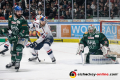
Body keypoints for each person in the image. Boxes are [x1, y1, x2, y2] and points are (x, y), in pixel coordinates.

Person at [0, 6, 29, 71]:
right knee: (13, 50)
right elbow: (10, 27)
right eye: (18, 11)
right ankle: (13, 62)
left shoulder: (23, 19)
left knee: (18, 48)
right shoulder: (10, 18)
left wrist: (18, 36)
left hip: (23, 37)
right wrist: (7, 31)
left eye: (20, 11)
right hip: (14, 36)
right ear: (15, 12)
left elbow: (24, 30)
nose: (20, 13)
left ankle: (17, 62)